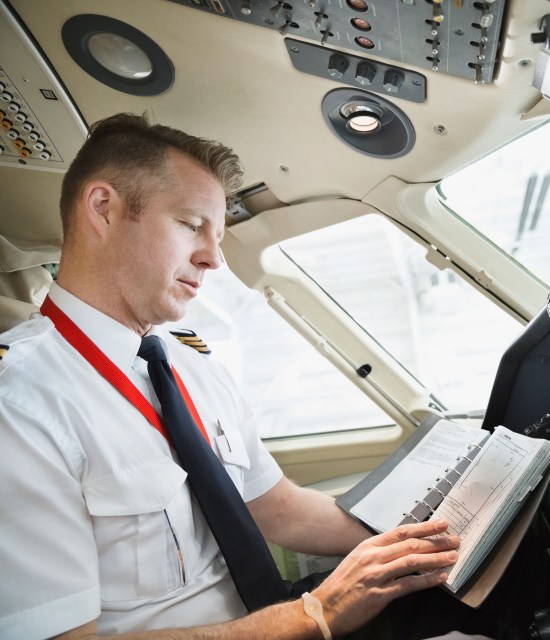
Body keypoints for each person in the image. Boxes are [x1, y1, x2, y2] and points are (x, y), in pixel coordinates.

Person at [0, 113, 475, 640]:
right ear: (104, 209)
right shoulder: (20, 404)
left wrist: (434, 531)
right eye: (190, 224)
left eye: (219, 235)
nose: (213, 258)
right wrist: (316, 613)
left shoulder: (189, 365)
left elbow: (278, 508)